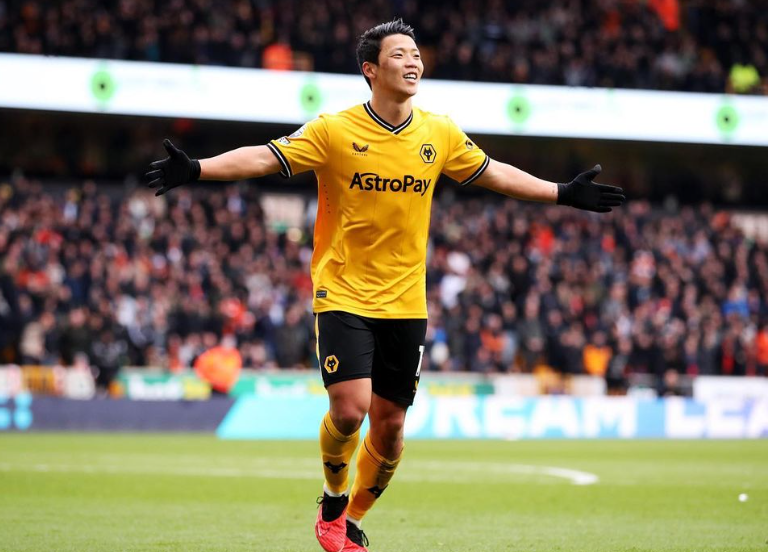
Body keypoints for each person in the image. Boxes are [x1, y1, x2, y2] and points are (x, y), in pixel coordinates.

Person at [145, 19, 625, 552]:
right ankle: (333, 499)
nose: (413, 61)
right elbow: (265, 156)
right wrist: (197, 169)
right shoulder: (334, 131)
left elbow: (493, 173)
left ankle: (348, 519)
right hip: (343, 291)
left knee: (391, 428)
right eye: (400, 54)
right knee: (350, 409)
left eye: (416, 53)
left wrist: (562, 192)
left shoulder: (439, 133)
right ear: (370, 70)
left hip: (406, 301)